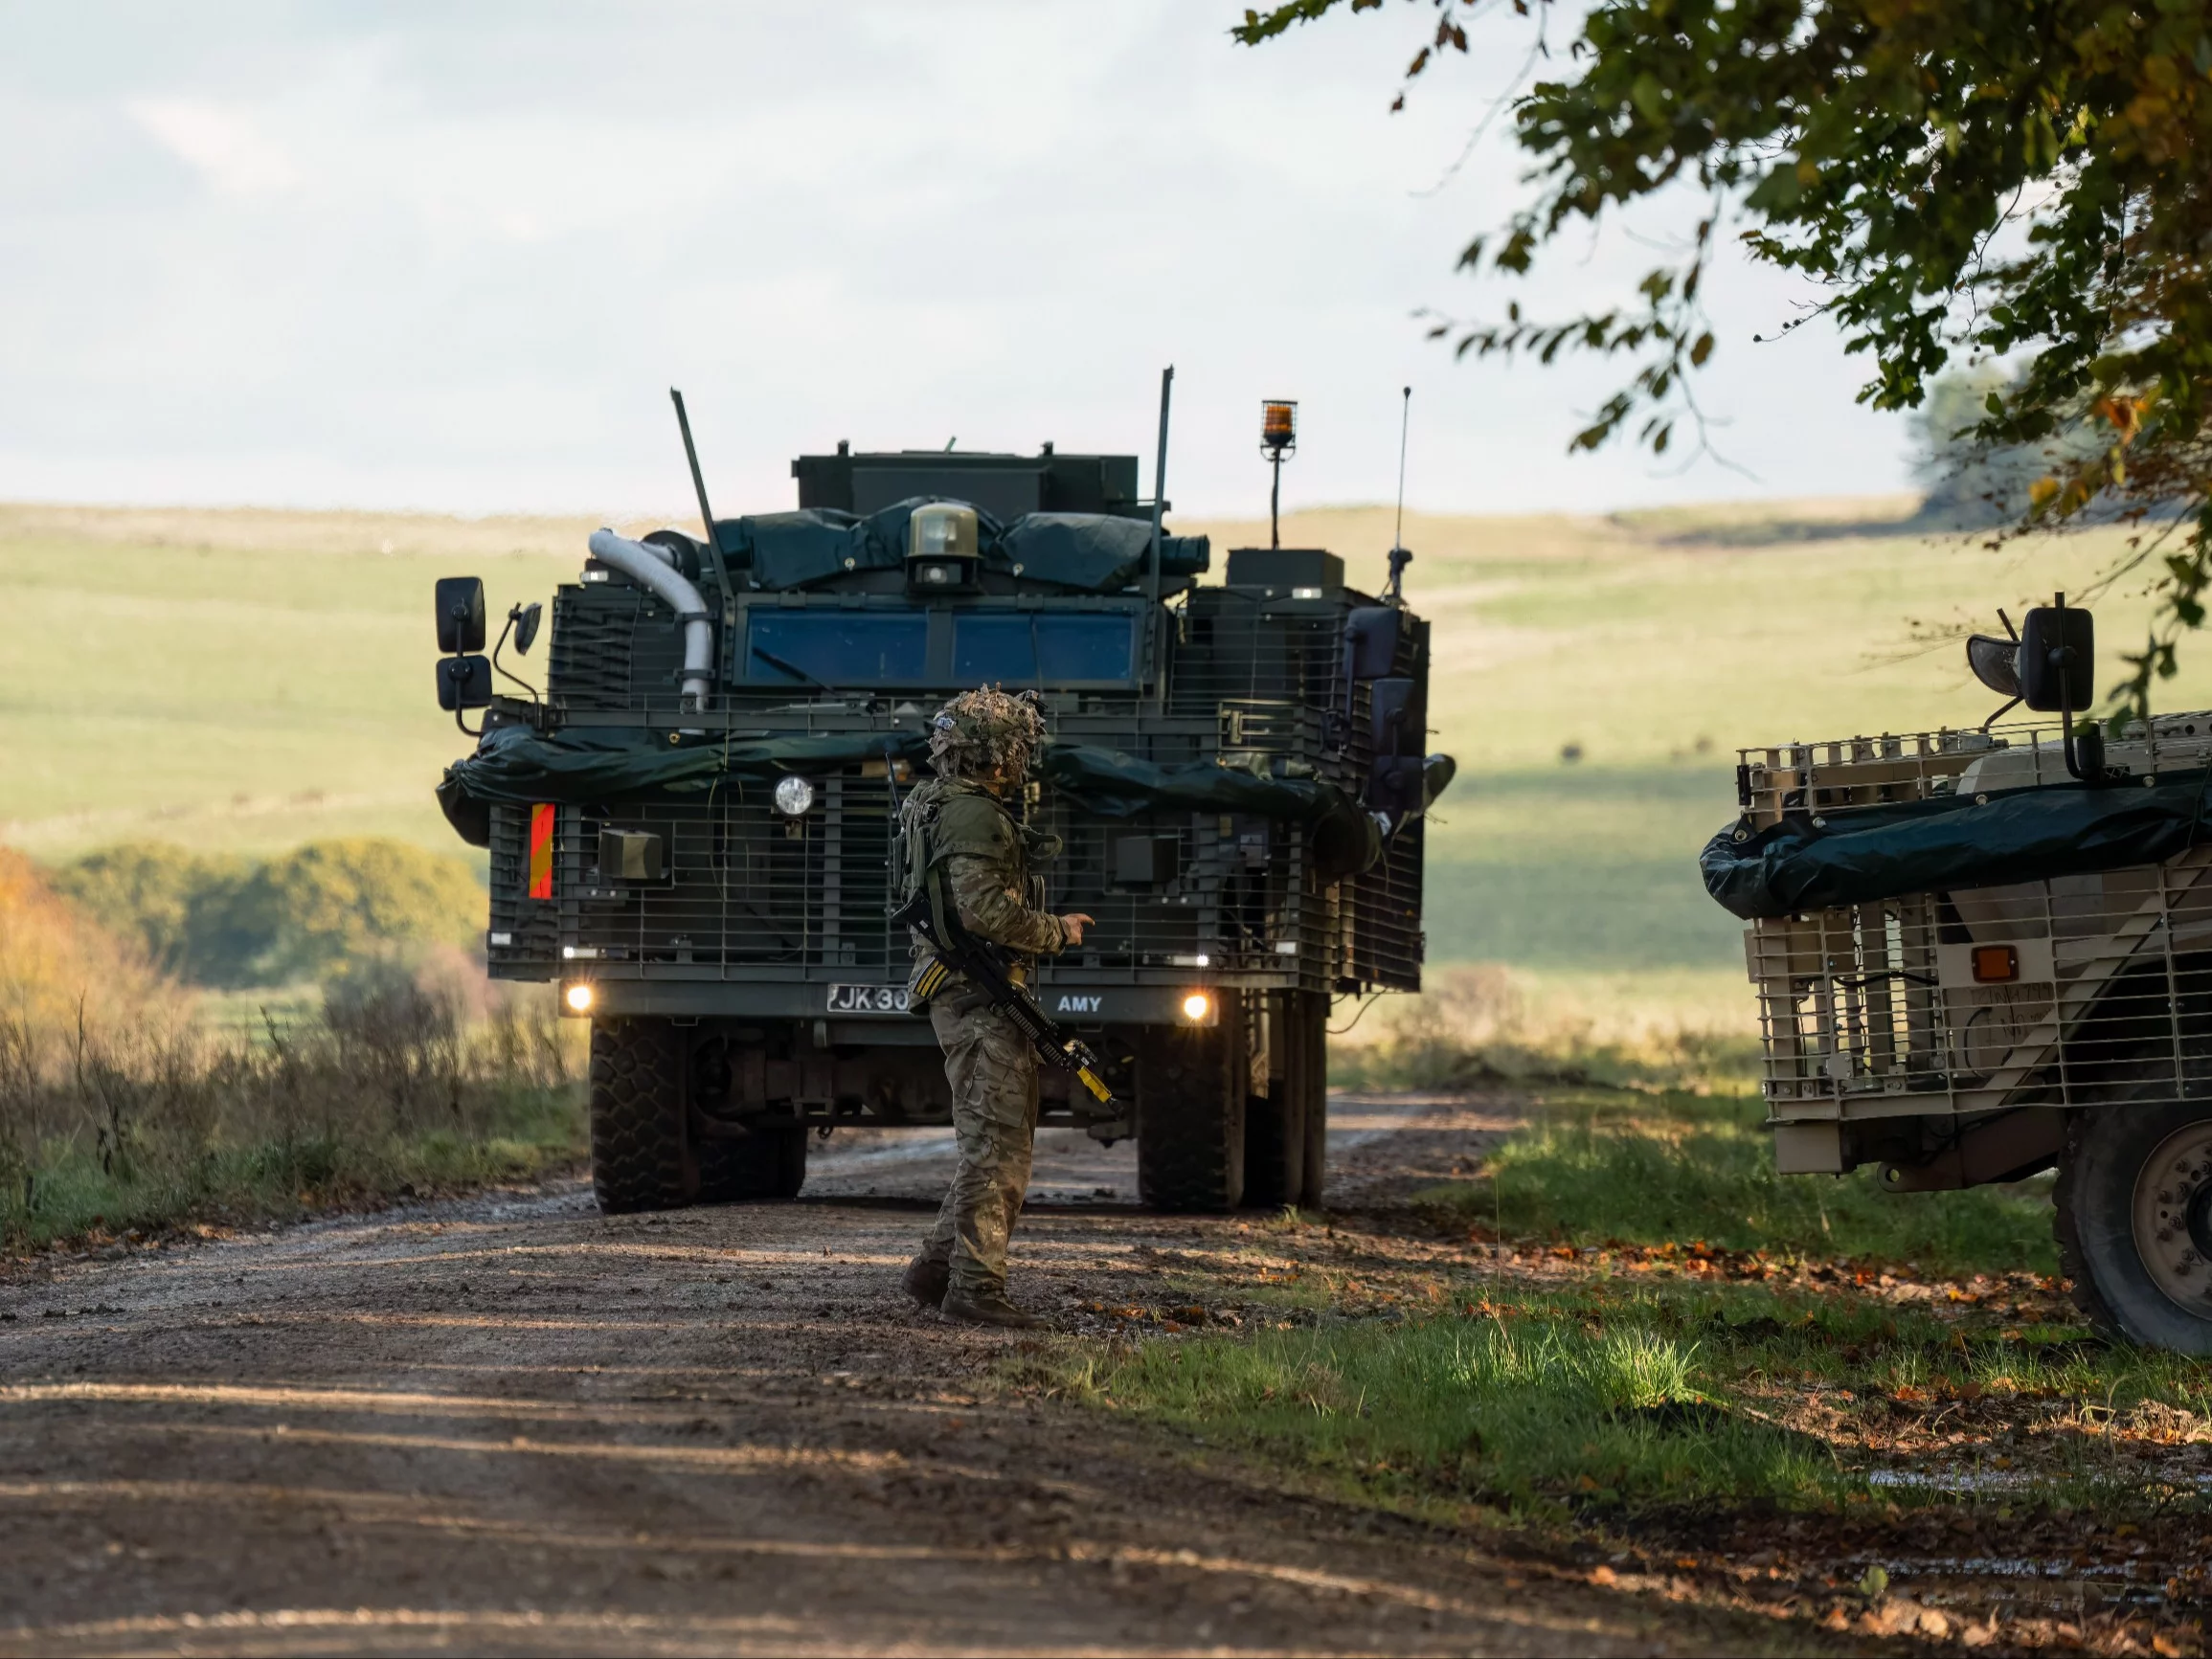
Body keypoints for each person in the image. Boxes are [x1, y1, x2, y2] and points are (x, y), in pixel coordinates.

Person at [896, 687, 1093, 1329]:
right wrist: (1055, 930)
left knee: (991, 1139)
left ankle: (936, 1268)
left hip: (964, 989)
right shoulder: (973, 816)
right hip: (976, 993)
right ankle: (974, 1288)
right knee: (997, 1145)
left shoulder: (930, 802)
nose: (1025, 755)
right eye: (1018, 744)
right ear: (996, 753)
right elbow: (985, 911)